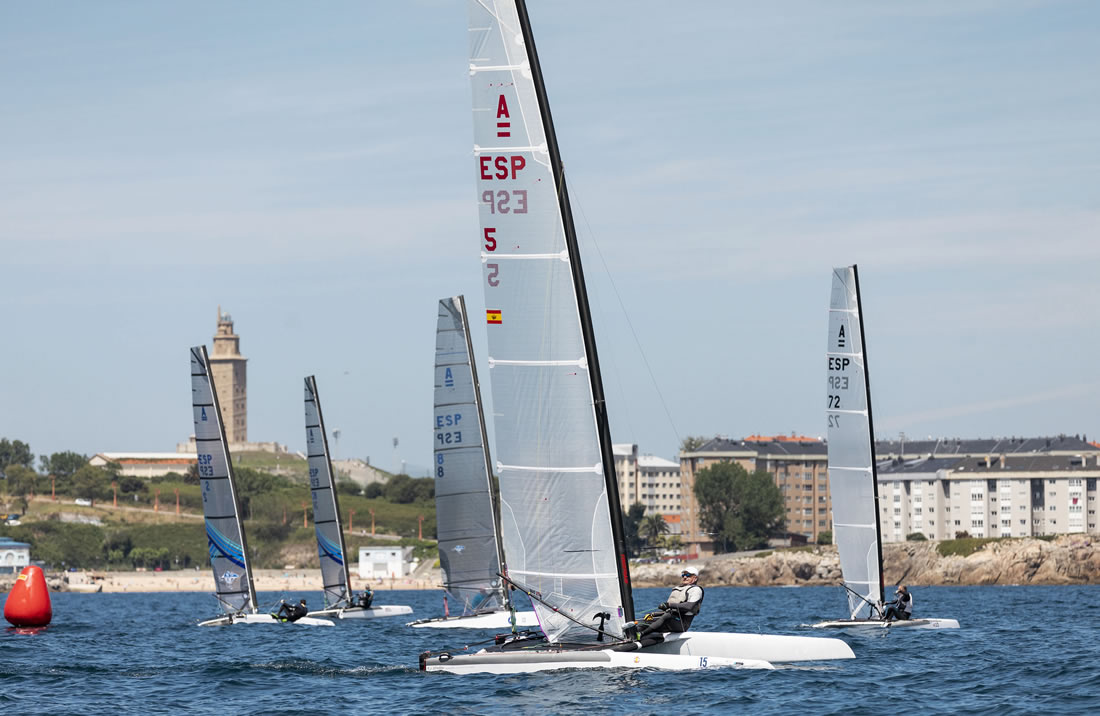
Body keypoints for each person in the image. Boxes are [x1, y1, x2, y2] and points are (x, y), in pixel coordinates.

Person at [624, 566, 704, 641]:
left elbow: (689, 606)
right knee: (645, 621)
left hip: (682, 624)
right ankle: (630, 638)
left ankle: (642, 634)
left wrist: (669, 605)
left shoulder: (696, 590)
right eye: (683, 575)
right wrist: (653, 614)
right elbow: (669, 611)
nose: (685, 577)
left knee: (667, 616)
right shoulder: (679, 588)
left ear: (695, 578)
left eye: (688, 575)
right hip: (671, 619)